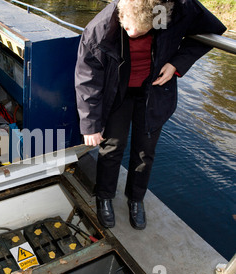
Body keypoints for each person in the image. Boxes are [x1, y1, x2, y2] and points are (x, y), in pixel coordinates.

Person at [75, 0, 226, 229]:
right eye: (126, 28)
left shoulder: (179, 8)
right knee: (112, 146)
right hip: (117, 92)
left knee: (145, 150)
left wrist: (176, 63)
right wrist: (90, 124)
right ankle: (104, 196)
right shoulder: (101, 27)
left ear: (158, 19)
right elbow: (87, 77)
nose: (132, 33)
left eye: (141, 31)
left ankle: (136, 199)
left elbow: (213, 30)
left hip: (153, 91)